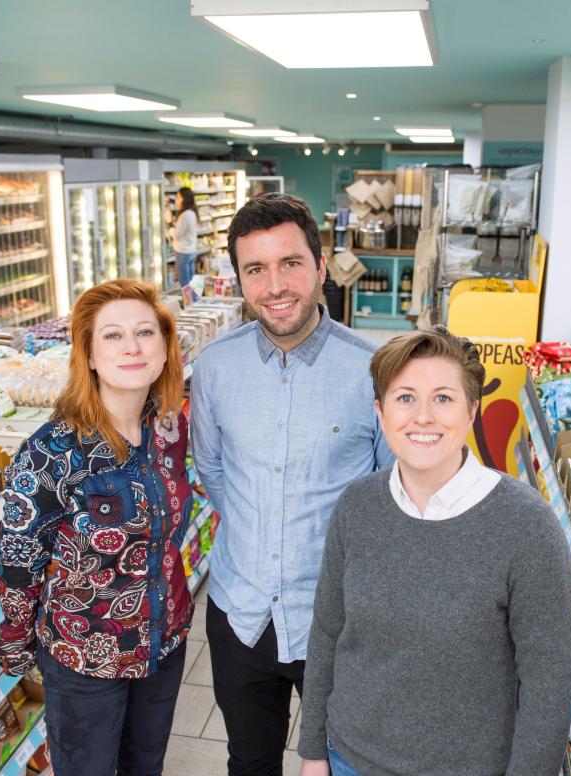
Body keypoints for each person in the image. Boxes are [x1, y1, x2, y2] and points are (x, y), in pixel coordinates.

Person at [297, 326, 571, 776]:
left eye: (443, 398)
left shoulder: (526, 525)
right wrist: (312, 749)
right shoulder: (358, 505)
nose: (423, 417)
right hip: (350, 758)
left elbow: (549, 683)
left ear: (472, 411)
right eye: (405, 397)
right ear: (380, 411)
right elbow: (328, 632)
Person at [190, 193, 394, 776]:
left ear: (321, 266)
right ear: (239, 280)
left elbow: (387, 495)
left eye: (291, 263)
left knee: (343, 762)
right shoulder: (215, 369)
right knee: (249, 761)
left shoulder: (373, 369)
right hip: (240, 614)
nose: (275, 285)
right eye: (256, 269)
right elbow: (212, 471)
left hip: (338, 620)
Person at [0, 279, 194, 776]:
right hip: (85, 660)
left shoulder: (168, 430)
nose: (132, 347)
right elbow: (20, 565)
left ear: (166, 347)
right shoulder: (51, 452)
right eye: (113, 336)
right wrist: (18, 644)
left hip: (162, 643)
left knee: (146, 767)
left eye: (146, 332)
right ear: (87, 354)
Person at [170, 187, 199, 288]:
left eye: (178, 197)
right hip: (191, 251)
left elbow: (177, 235)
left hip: (183, 253)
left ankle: (187, 303)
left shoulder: (185, 215)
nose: (176, 200)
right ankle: (192, 303)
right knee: (190, 283)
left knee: (185, 284)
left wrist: (169, 224)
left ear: (183, 199)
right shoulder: (192, 212)